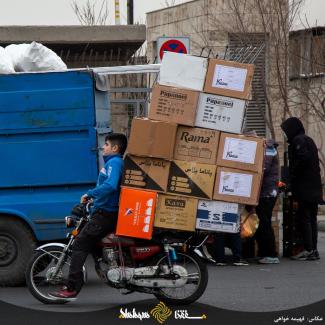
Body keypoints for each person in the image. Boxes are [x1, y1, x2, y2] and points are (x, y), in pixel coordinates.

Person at [50, 133, 127, 299]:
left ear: (115, 148)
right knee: (89, 242)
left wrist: (90, 194)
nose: (103, 147)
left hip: (106, 214)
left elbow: (111, 185)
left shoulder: (115, 162)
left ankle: (71, 288)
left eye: (106, 144)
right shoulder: (113, 162)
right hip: (102, 211)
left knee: (79, 244)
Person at [281, 117, 323, 261]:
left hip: (305, 188)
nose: (285, 134)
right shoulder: (308, 140)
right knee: (311, 218)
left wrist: (292, 177)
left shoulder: (299, 141)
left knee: (304, 218)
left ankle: (309, 249)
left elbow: (302, 160)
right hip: (314, 187)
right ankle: (313, 250)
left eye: (285, 131)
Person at [254, 139, 280, 264]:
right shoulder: (263, 148)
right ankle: (263, 252)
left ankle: (271, 254)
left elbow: (263, 169)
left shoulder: (268, 149)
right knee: (262, 222)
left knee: (265, 222)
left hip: (268, 193)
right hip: (264, 192)